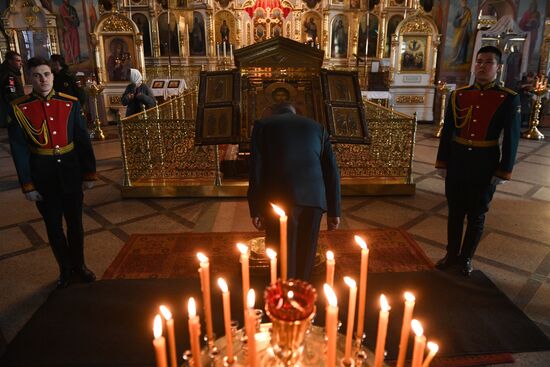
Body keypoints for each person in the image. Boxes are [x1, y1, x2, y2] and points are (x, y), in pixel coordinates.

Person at [7, 57, 97, 288]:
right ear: (30, 78)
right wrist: (28, 184)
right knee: (54, 227)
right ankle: (65, 270)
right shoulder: (20, 108)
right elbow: (19, 149)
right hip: (43, 176)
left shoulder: (70, 103)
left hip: (70, 173)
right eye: (37, 75)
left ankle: (80, 265)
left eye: (46, 74)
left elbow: (82, 140)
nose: (43, 79)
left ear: (53, 75)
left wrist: (89, 173)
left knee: (75, 224)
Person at [435, 46, 520, 276]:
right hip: (458, 160)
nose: (482, 66)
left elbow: (512, 138)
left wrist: (504, 170)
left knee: (476, 214)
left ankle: (465, 259)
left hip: (485, 163)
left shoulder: (507, 98)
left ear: (498, 67)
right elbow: (448, 132)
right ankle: (451, 254)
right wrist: (442, 162)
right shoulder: (459, 95)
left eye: (488, 62)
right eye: (479, 61)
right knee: (455, 212)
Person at [248, 103, 341, 280]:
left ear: (273, 112)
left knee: (279, 251)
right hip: (314, 200)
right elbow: (331, 171)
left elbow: (256, 169)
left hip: (278, 200)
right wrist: (334, 211)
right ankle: (301, 295)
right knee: (306, 252)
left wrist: (256, 208)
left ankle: (281, 298)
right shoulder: (317, 127)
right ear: (295, 112)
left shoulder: (263, 125)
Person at [0, 51, 24, 128]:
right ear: (10, 61)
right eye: (18, 61)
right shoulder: (9, 75)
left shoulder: (10, 73)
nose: (21, 63)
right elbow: (11, 94)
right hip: (12, 109)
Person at [450, 0, 472, 65]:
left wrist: (469, 30)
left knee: (464, 45)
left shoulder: (468, 11)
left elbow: (469, 22)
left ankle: (462, 60)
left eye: (465, 2)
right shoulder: (458, 10)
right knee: (456, 44)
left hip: (465, 30)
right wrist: (460, 18)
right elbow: (454, 22)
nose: (464, 3)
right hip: (458, 31)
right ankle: (455, 59)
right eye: (462, 2)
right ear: (460, 3)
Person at [59, 0, 80, 64]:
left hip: (73, 28)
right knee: (67, 45)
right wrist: (63, 26)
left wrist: (72, 19)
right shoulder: (61, 9)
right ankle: (69, 59)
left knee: (75, 43)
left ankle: (76, 59)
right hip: (66, 29)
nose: (67, 1)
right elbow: (59, 19)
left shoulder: (72, 9)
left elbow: (76, 20)